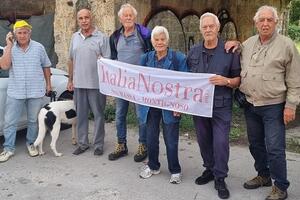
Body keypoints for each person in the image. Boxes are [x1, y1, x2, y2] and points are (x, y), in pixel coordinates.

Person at [233, 5, 300, 200]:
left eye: (269, 20)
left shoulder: (287, 45)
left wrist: (291, 105)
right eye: (261, 20)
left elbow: (295, 80)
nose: (265, 23)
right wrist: (233, 43)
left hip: (274, 106)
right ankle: (263, 175)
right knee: (255, 144)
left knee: (275, 147)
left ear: (276, 22)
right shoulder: (248, 43)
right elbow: (236, 54)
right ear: (255, 23)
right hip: (250, 104)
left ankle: (280, 186)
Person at [187, 13, 241, 199]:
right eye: (205, 27)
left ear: (218, 28)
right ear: (201, 29)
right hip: (199, 106)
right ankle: (209, 169)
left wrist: (225, 81)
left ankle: (220, 177)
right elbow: (187, 80)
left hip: (220, 105)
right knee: (203, 140)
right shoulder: (193, 51)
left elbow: (238, 80)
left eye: (211, 26)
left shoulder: (229, 51)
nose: (208, 29)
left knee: (220, 142)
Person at [138, 26, 187, 184]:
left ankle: (175, 170)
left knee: (171, 140)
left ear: (167, 41)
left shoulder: (178, 58)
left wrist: (179, 105)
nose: (159, 42)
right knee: (151, 138)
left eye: (162, 39)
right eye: (156, 39)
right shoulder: (146, 58)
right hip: (151, 106)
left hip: (171, 106)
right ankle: (153, 166)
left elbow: (185, 82)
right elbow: (136, 79)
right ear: (152, 42)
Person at [0, 20, 52, 162]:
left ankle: (31, 144)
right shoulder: (9, 48)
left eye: (25, 32)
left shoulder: (39, 47)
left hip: (35, 91)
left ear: (30, 33)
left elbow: (46, 66)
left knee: (33, 121)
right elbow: (4, 66)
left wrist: (48, 84)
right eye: (19, 33)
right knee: (10, 122)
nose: (22, 35)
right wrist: (9, 46)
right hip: (15, 92)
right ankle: (8, 148)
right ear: (14, 34)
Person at [108, 3, 152, 162]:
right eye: (125, 16)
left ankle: (143, 145)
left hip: (140, 84)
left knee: (142, 116)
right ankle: (121, 145)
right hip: (122, 84)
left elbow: (154, 53)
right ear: (120, 18)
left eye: (130, 15)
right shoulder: (114, 37)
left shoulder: (145, 34)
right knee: (120, 115)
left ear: (135, 17)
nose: (128, 18)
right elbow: (113, 59)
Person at [67, 8, 110, 156]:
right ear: (78, 20)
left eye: (86, 17)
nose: (84, 21)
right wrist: (70, 79)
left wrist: (102, 60)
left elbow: (108, 62)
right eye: (81, 18)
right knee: (81, 115)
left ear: (91, 18)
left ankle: (98, 145)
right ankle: (83, 143)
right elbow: (71, 59)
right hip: (79, 84)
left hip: (96, 84)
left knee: (98, 115)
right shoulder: (74, 37)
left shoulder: (102, 37)